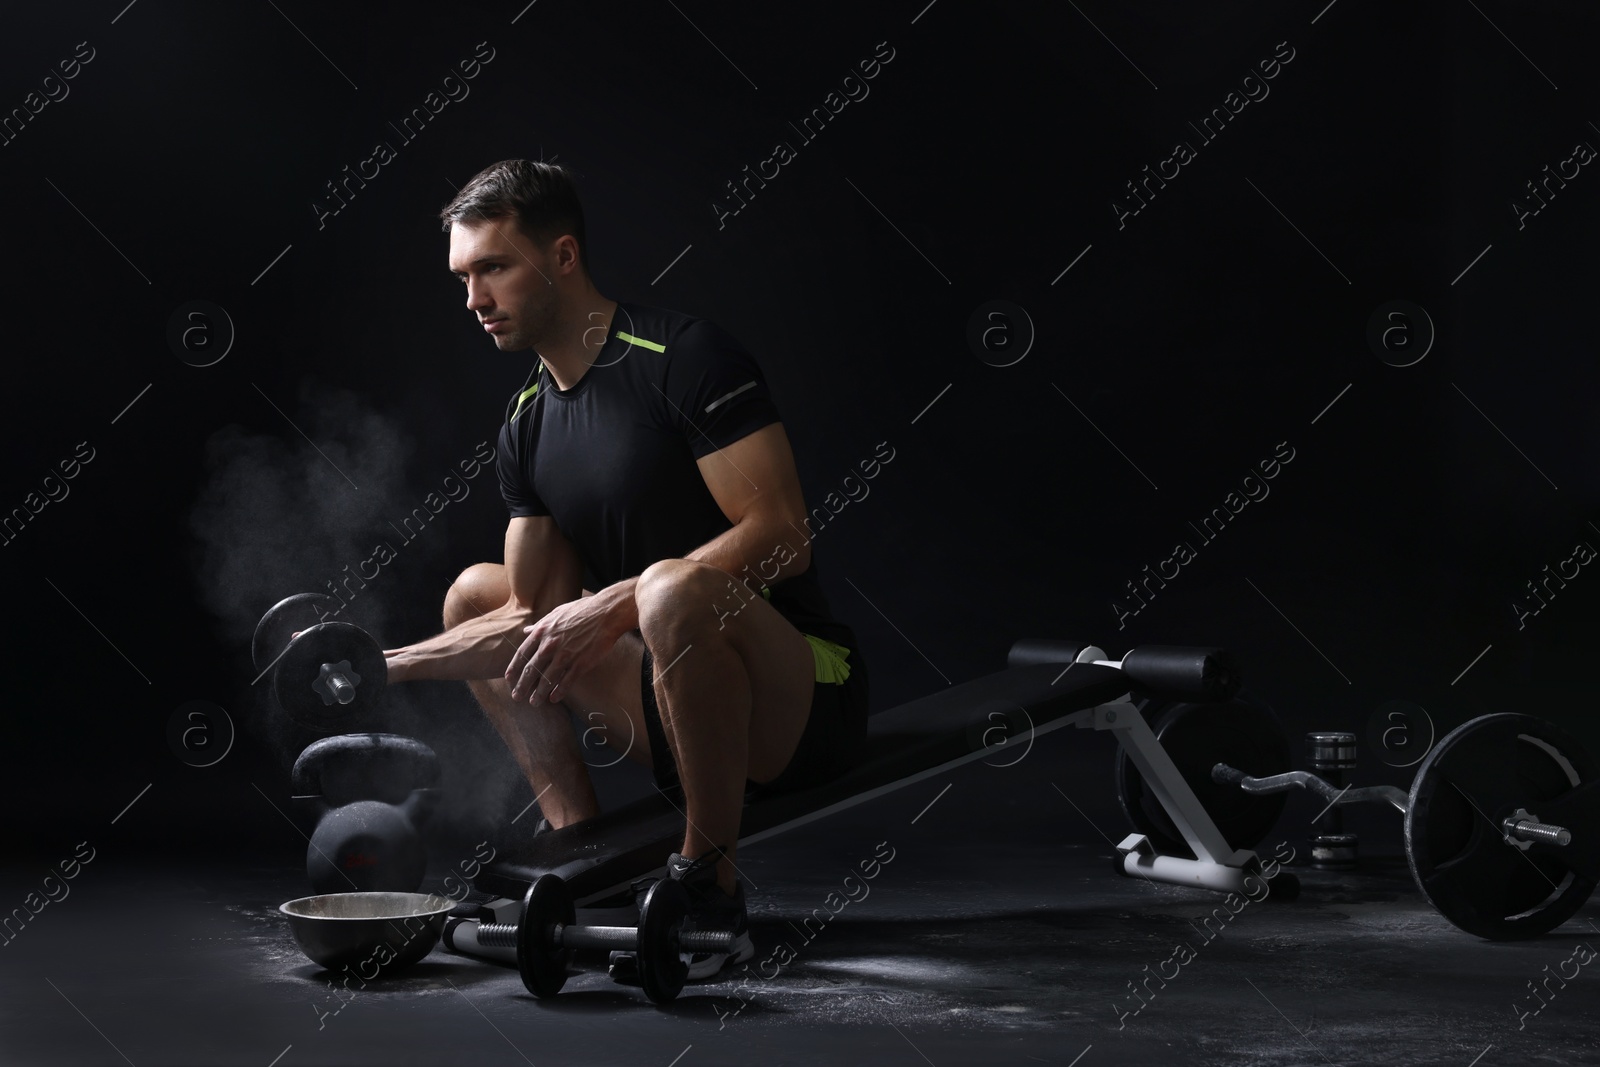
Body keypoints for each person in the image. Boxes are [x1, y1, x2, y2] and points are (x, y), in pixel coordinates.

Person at [382, 159, 870, 979]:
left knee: (670, 587)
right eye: (464, 276)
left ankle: (709, 889)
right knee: (474, 594)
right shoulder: (527, 422)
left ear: (563, 257)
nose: (474, 299)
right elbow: (526, 615)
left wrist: (614, 604)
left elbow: (785, 536)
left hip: (803, 697)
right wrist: (381, 666)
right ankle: (584, 854)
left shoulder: (683, 357)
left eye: (494, 267)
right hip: (671, 694)